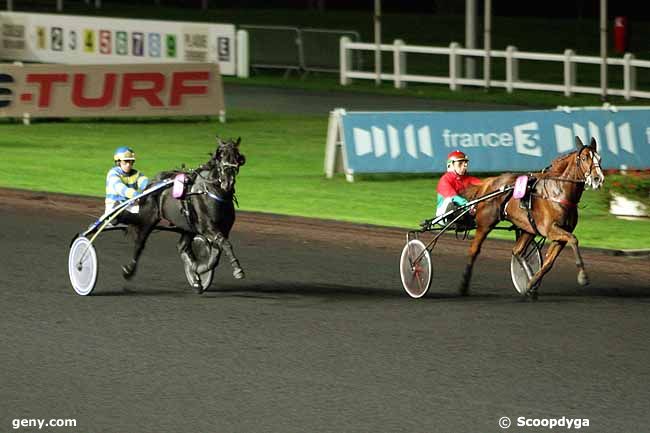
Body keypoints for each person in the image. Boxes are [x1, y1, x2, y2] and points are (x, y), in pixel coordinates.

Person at [435, 150, 482, 226]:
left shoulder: (468, 178)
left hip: (463, 211)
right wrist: (469, 205)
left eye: (465, 164)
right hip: (443, 215)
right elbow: (453, 197)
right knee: (450, 201)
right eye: (460, 164)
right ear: (450, 165)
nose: (464, 166)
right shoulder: (445, 180)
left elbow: (485, 185)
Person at [105, 146, 149, 216]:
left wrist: (151, 187)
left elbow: (145, 182)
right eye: (125, 161)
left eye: (131, 162)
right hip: (115, 205)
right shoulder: (113, 174)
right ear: (118, 162)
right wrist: (135, 194)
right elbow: (120, 188)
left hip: (130, 204)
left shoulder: (136, 173)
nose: (128, 165)